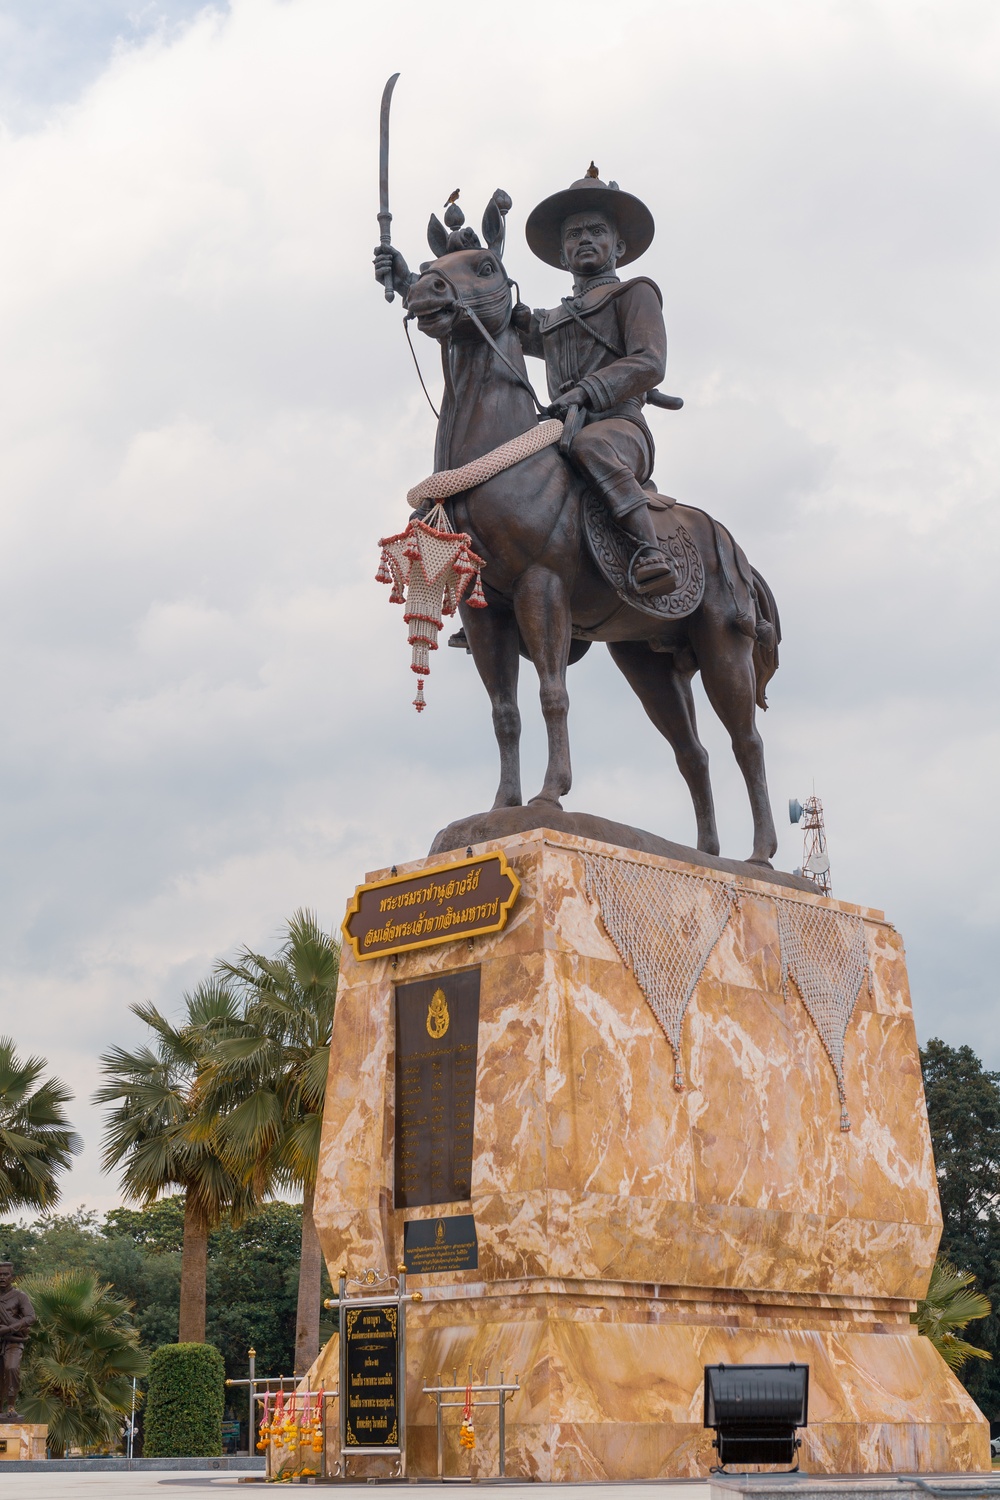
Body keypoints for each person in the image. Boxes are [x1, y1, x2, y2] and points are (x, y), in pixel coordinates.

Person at [515, 165, 674, 594]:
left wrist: (585, 392)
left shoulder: (635, 293)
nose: (584, 239)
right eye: (573, 235)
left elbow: (649, 361)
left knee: (592, 443)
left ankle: (650, 548)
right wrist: (407, 282)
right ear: (563, 255)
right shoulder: (549, 321)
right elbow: (483, 321)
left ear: (617, 245)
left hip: (618, 429)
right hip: (556, 430)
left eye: (596, 231)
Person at [0, 1262, 35, 1419]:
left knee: (12, 1368)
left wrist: (8, 1328)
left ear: (11, 1276)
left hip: (13, 1340)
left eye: (5, 1274)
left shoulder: (20, 1296)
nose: (2, 1277)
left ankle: (11, 1406)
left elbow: (30, 1317)